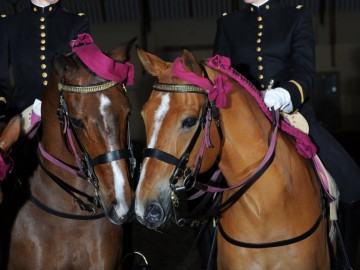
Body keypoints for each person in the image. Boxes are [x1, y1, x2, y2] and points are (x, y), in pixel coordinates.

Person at [213, 0, 360, 268]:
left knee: (351, 180)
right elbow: (220, 77)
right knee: (203, 195)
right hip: (243, 124)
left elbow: (305, 71)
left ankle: (344, 259)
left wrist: (284, 94)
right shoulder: (228, 23)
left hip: (294, 115)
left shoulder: (296, 15)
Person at [0, 0, 90, 120]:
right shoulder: (9, 24)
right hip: (24, 111)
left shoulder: (76, 22)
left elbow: (86, 71)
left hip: (67, 111)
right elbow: (1, 78)